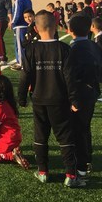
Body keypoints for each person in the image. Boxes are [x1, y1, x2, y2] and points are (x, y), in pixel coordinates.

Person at [17, 10, 82, 187]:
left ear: (36, 29)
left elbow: (25, 76)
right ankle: (71, 175)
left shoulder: (31, 49)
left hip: (39, 100)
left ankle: (43, 171)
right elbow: (70, 77)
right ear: (55, 27)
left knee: (40, 136)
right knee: (65, 137)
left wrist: (21, 98)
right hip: (60, 101)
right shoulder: (64, 49)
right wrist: (74, 100)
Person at [64, 15, 102, 178]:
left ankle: (81, 165)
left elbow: (71, 76)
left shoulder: (74, 49)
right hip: (91, 92)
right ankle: (86, 159)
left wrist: (74, 99)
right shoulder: (93, 46)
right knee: (84, 127)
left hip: (80, 95)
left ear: (70, 30)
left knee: (78, 129)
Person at [9, 0, 32, 69]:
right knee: (26, 44)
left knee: (19, 45)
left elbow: (17, 13)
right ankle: (26, 61)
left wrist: (12, 22)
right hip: (26, 25)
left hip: (20, 26)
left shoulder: (18, 0)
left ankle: (21, 63)